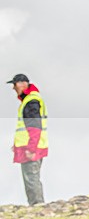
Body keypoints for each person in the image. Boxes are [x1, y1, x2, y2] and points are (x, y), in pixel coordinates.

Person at [7, 74, 48, 205]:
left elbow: (34, 127)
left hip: (31, 149)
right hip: (29, 147)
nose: (13, 88)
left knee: (31, 178)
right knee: (31, 178)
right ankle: (36, 204)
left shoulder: (31, 101)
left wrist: (31, 148)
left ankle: (37, 205)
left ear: (22, 84)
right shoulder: (30, 100)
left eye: (14, 85)